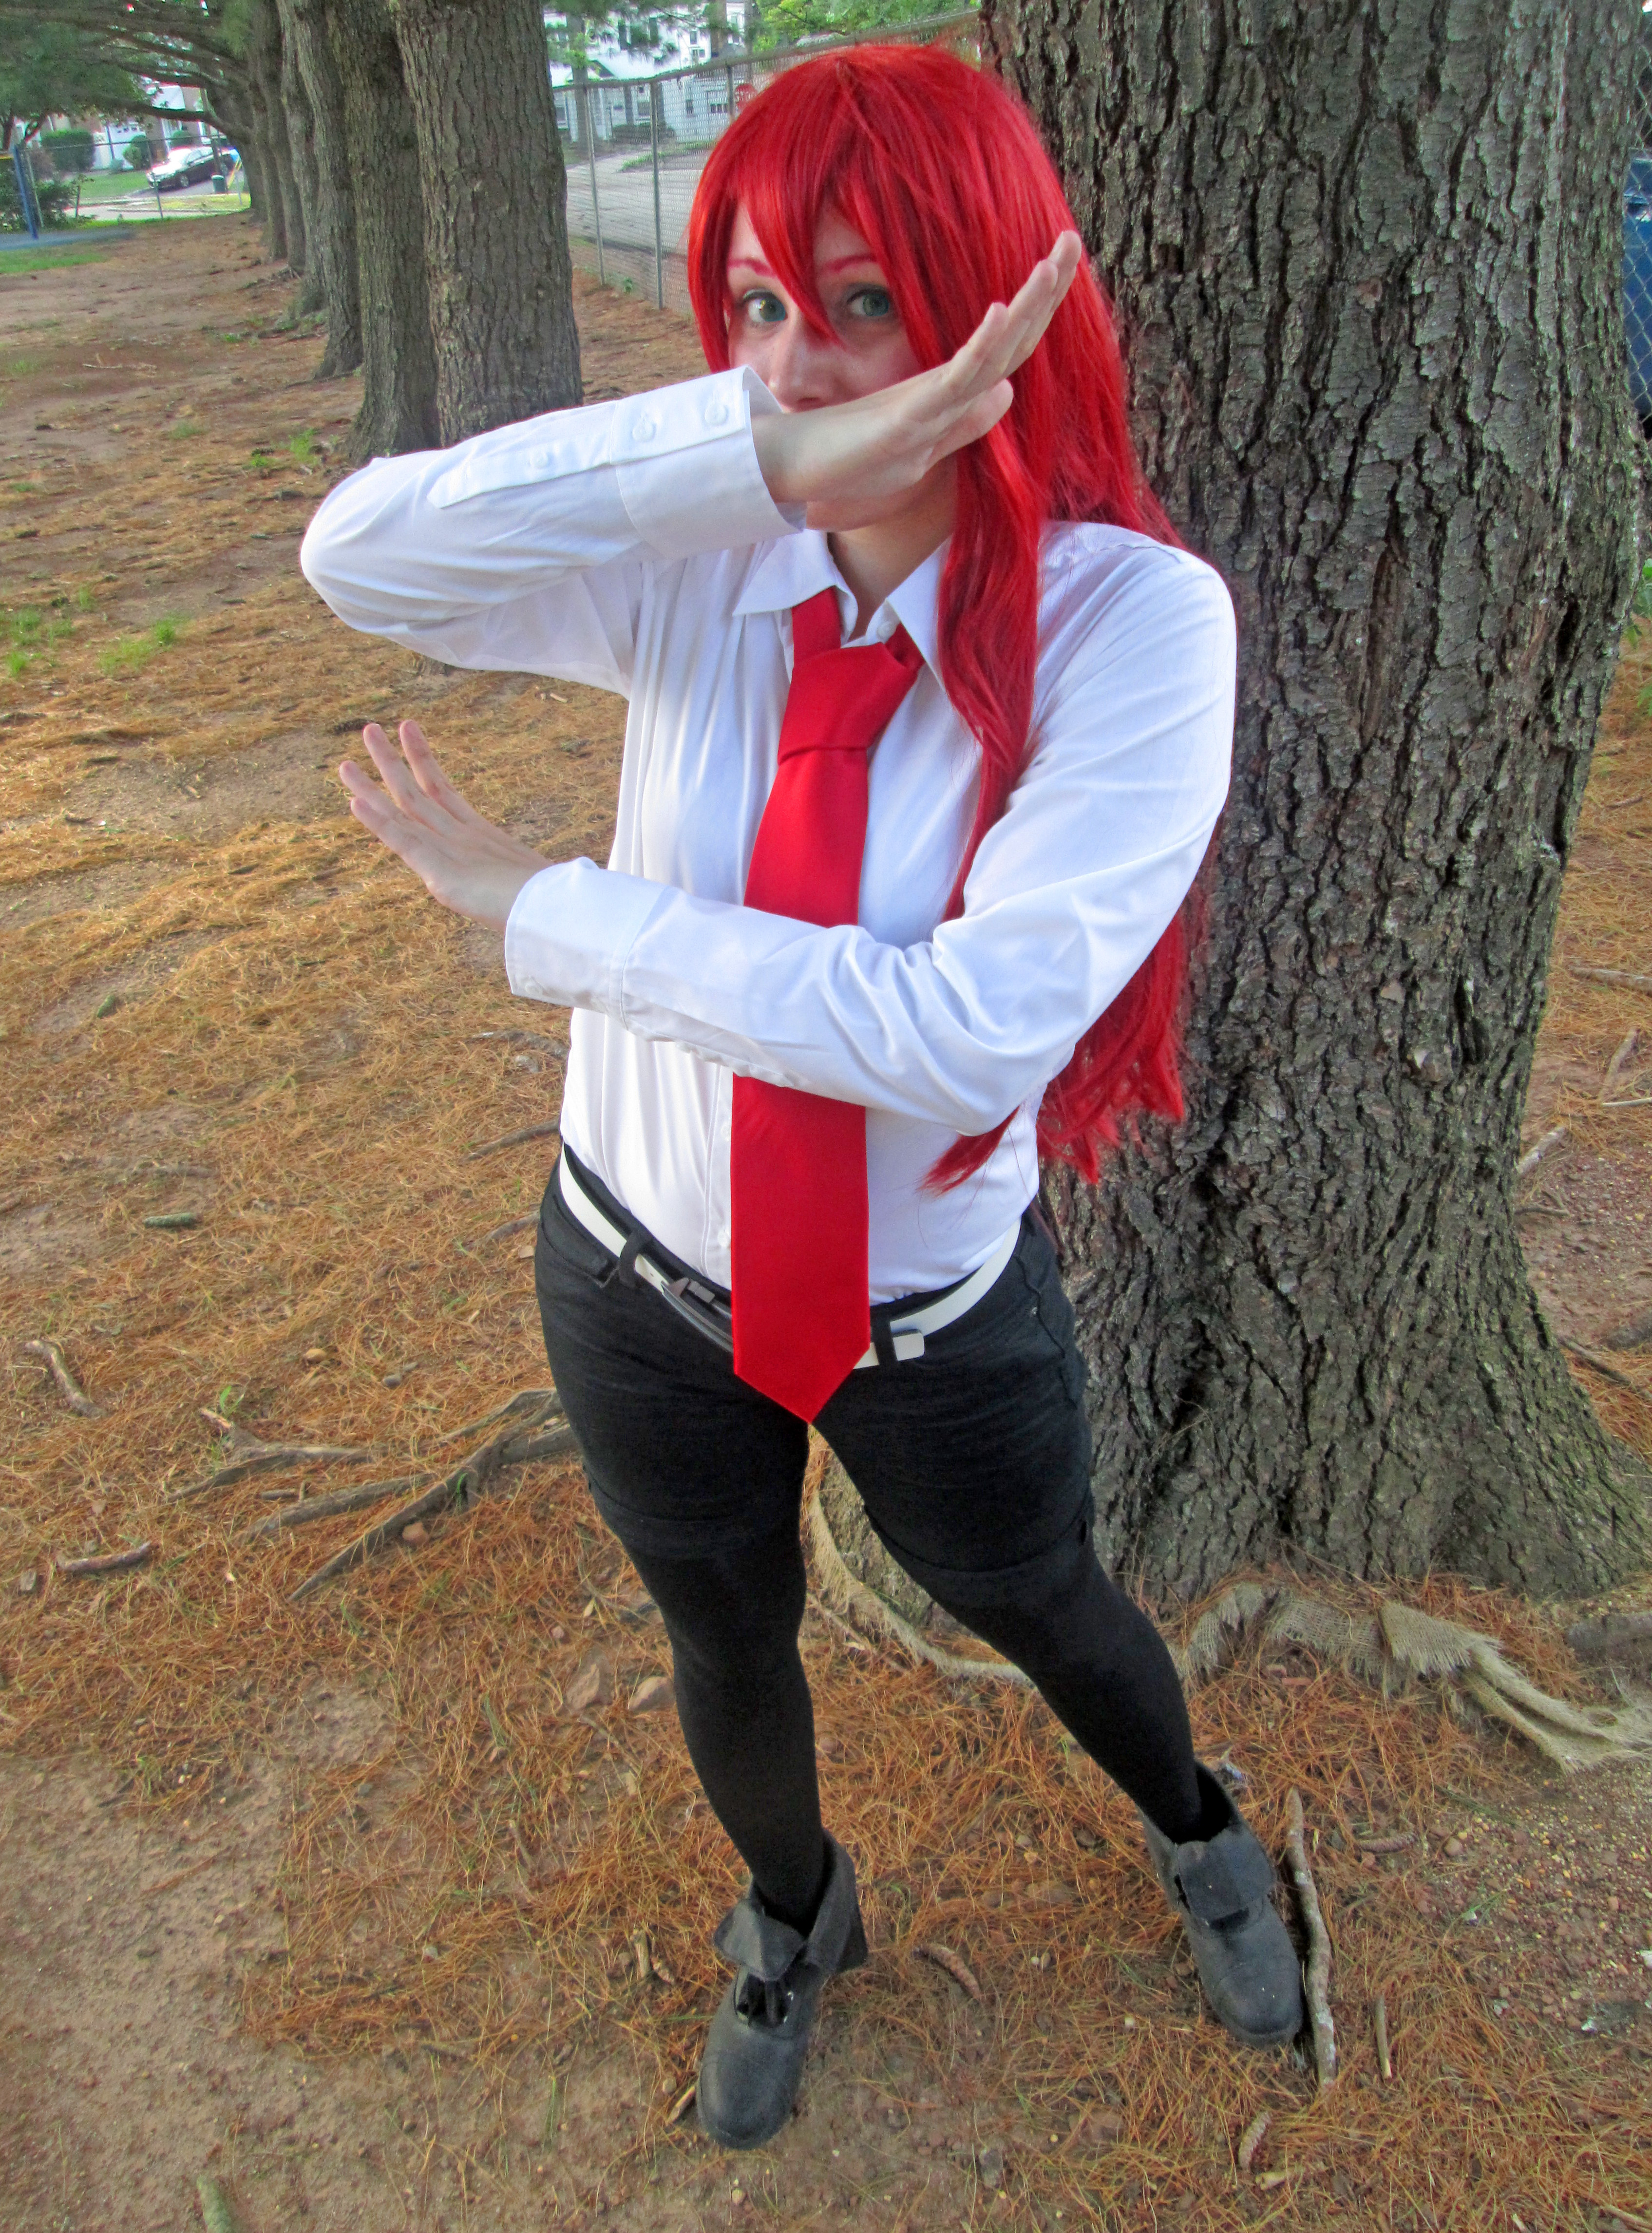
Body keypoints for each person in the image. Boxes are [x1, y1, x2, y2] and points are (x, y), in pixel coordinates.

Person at [300, 42, 1305, 2153]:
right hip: (631, 1276)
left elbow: (962, 1035)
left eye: (864, 302)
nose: (800, 358)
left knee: (1040, 1602)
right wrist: (742, 452)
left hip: (925, 1316)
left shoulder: (1132, 619)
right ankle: (791, 1910)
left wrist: (544, 910)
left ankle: (1204, 1832)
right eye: (756, 303)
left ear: (990, 307)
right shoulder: (704, 562)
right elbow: (361, 561)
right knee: (724, 1629)